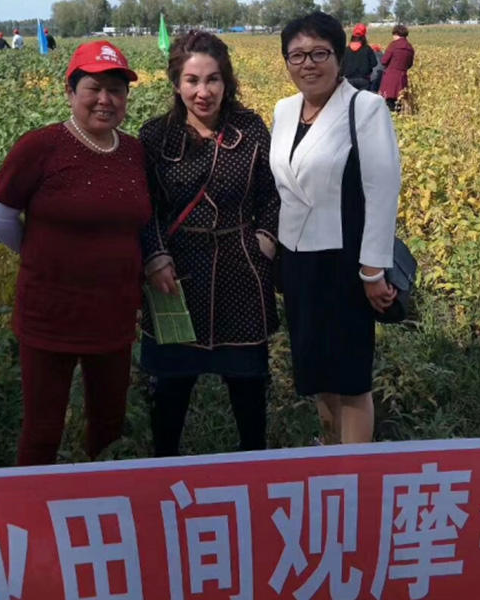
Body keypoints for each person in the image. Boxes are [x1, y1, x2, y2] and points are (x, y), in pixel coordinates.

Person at [0, 41, 151, 466]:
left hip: (114, 314)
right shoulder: (40, 147)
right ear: (70, 92)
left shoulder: (134, 152)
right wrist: (41, 254)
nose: (105, 99)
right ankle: (33, 506)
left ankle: (100, 502)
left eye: (116, 90)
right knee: (42, 431)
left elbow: (141, 222)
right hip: (51, 315)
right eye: (94, 88)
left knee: (109, 426)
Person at [139, 31, 280, 457]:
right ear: (176, 83)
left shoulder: (250, 129)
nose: (203, 92)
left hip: (241, 270)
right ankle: (164, 473)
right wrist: (155, 254)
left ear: (226, 81)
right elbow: (145, 207)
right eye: (192, 80)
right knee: (170, 390)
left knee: (248, 388)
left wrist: (265, 238)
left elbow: (272, 194)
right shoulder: (155, 136)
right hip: (174, 276)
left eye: (213, 79)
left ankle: (252, 470)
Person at [269, 12, 401, 445]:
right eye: (297, 55)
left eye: (319, 53)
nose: (308, 64)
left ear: (339, 57)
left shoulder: (365, 108)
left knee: (350, 373)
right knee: (315, 367)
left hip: (345, 260)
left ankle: (355, 467)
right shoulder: (284, 111)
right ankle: (329, 450)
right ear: (287, 62)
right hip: (297, 259)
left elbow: (382, 189)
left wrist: (372, 270)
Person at [379, 25, 415, 112]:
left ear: (396, 34)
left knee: (388, 103)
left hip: (390, 78)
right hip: (402, 78)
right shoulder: (410, 47)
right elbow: (410, 64)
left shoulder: (393, 45)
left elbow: (384, 61)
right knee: (399, 103)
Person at [341, 23, 377, 91]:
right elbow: (374, 63)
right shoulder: (367, 49)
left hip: (349, 80)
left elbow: (341, 66)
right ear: (364, 37)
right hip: (363, 80)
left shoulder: (346, 50)